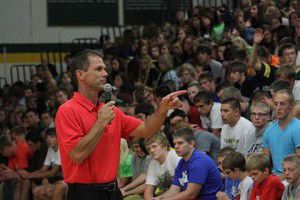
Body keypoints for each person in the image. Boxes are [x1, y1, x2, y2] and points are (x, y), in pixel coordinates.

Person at [55, 49, 186, 200]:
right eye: (98, 69)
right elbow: (77, 155)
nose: (105, 74)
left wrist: (163, 109)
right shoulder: (67, 110)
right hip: (84, 193)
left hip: (113, 190)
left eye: (105, 69)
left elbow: (146, 130)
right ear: (80, 74)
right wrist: (101, 122)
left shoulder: (111, 111)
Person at [154, 128, 223, 200]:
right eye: (174, 144)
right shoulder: (181, 162)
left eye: (180, 143)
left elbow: (191, 194)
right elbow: (174, 190)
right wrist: (159, 198)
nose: (176, 147)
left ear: (191, 144)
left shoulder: (200, 161)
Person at [262, 89, 300, 175]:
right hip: (274, 176)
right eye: (275, 104)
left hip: (294, 177)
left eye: (282, 104)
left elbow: (299, 163)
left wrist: (281, 178)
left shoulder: (298, 128)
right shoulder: (269, 130)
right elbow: (265, 162)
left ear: (291, 106)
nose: (278, 108)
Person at [144, 132, 181, 200]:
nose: (151, 150)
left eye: (154, 146)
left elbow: (180, 188)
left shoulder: (175, 156)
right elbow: (148, 190)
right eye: (149, 148)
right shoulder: (152, 163)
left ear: (164, 146)